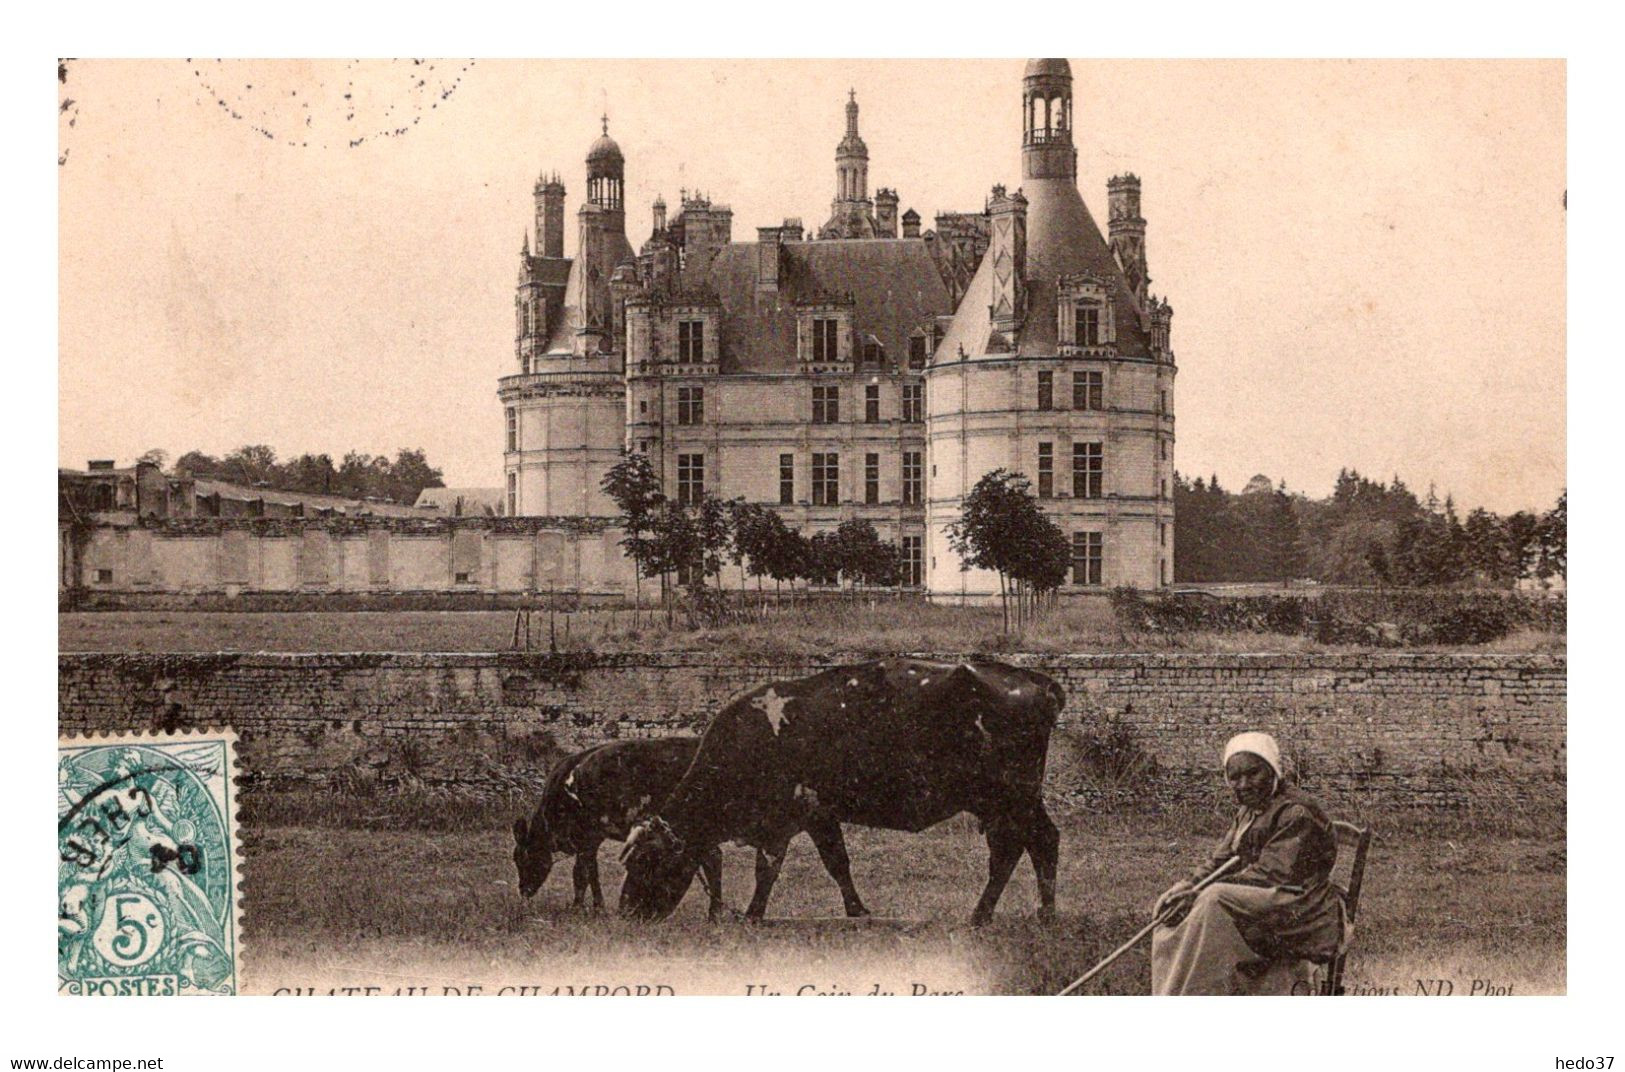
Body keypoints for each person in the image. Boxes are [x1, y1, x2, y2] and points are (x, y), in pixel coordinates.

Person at [1150, 731, 1347, 995]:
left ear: (1273, 771)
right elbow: (1222, 859)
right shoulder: (1249, 811)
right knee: (1169, 905)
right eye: (1235, 777)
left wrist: (1198, 892)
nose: (1243, 784)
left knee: (1213, 899)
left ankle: (1197, 992)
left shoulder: (1296, 812)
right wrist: (1187, 885)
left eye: (1253, 773)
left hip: (1301, 905)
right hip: (1266, 895)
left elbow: (1273, 874)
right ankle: (1173, 991)